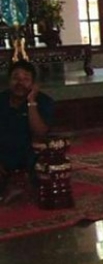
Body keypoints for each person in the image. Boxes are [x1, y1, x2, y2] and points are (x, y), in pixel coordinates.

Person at [0, 60, 55, 202]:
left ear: (33, 83)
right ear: (9, 81)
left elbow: (40, 133)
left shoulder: (44, 101)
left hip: (30, 151)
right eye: (16, 78)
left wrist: (31, 102)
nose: (20, 83)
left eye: (26, 79)